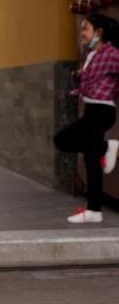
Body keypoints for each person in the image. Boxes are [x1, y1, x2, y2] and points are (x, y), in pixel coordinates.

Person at [54, 13, 119, 224]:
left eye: (86, 29)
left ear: (98, 33)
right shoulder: (92, 54)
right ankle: (94, 210)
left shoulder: (111, 53)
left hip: (102, 110)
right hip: (92, 110)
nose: (82, 33)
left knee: (62, 139)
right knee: (91, 160)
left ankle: (108, 146)